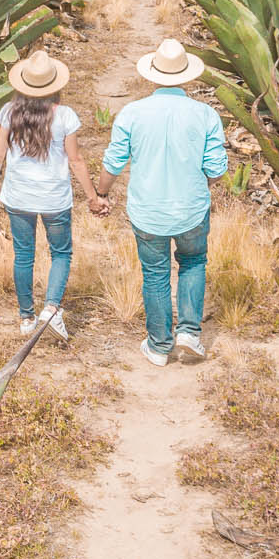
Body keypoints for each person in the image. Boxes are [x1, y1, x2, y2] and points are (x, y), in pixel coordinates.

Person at [93, 38, 229, 366]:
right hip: (191, 209)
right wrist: (201, 185)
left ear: (152, 75)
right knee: (193, 263)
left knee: (155, 272)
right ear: (186, 76)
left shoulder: (132, 113)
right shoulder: (206, 114)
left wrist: (101, 193)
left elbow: (113, 163)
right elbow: (216, 168)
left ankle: (158, 346)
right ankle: (189, 334)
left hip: (147, 211)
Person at [0, 49, 104, 339]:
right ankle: (51, 310)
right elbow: (76, 160)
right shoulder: (65, 115)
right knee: (61, 253)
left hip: (19, 196)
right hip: (54, 198)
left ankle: (26, 318)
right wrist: (92, 196)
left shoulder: (9, 112)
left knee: (23, 255)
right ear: (55, 85)